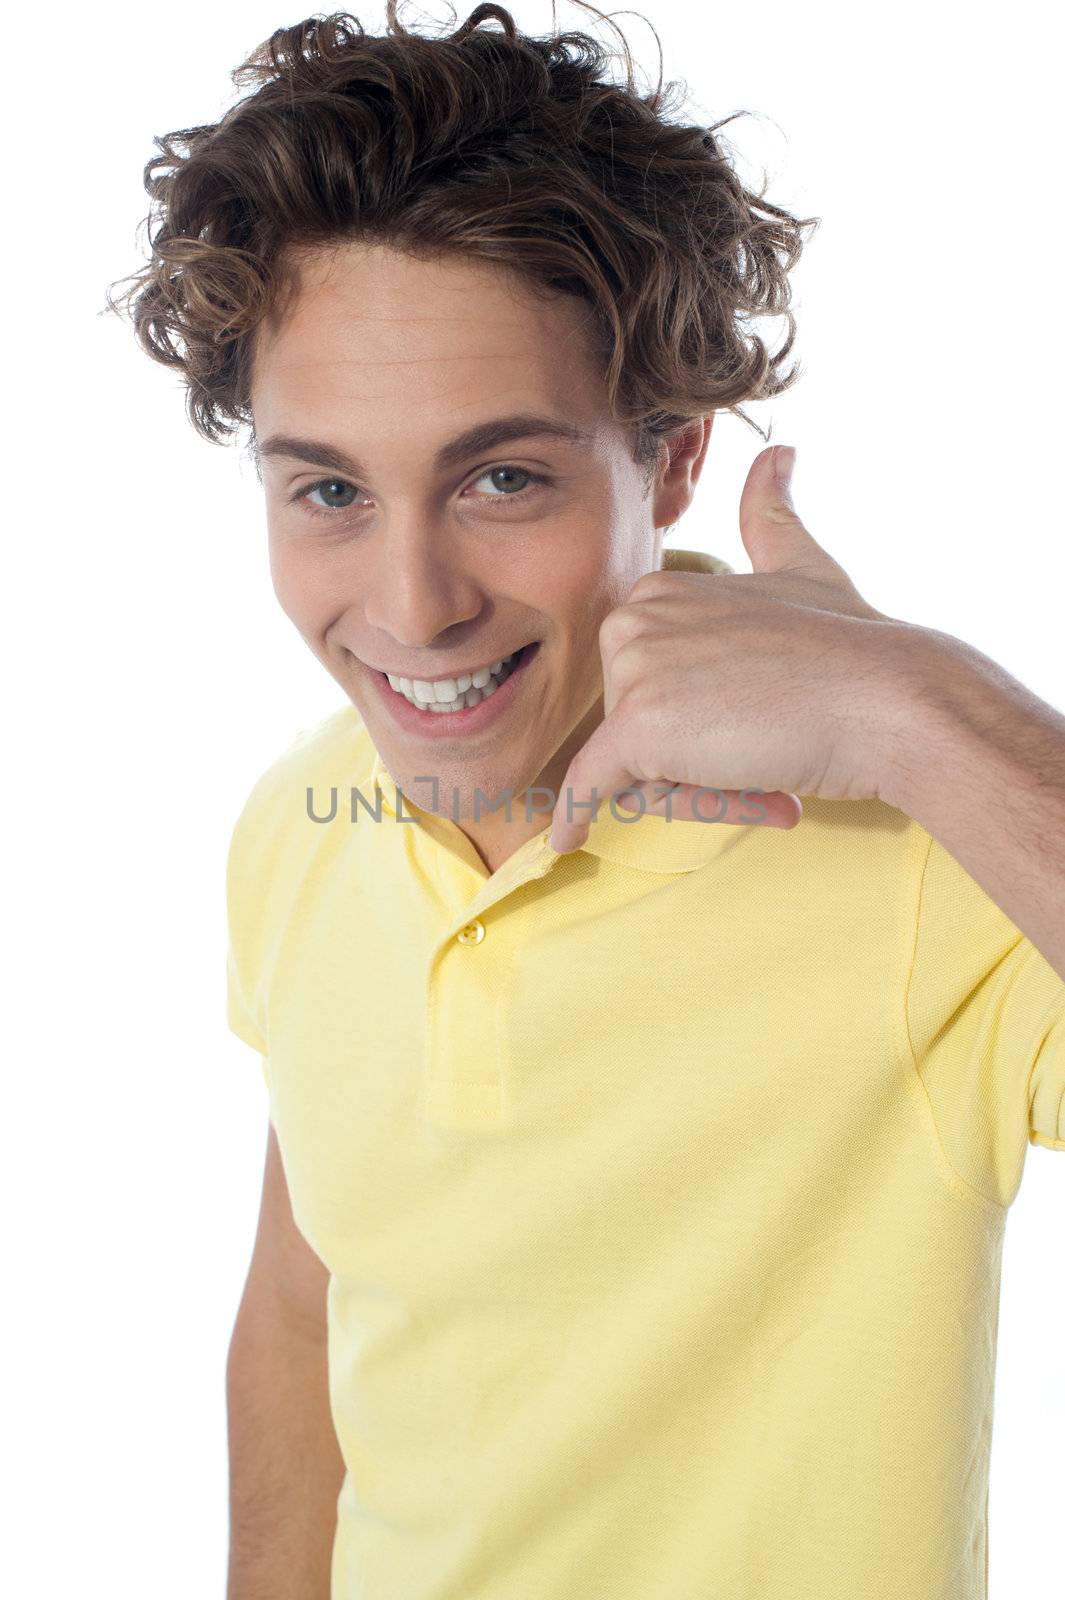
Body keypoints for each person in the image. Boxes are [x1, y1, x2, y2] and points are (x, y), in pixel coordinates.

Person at [108, 5, 1065, 1596]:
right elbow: (309, 1303)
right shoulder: (299, 824)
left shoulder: (927, 849)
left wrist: (918, 708)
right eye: (330, 490)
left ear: (672, 459)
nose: (410, 607)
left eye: (503, 478)